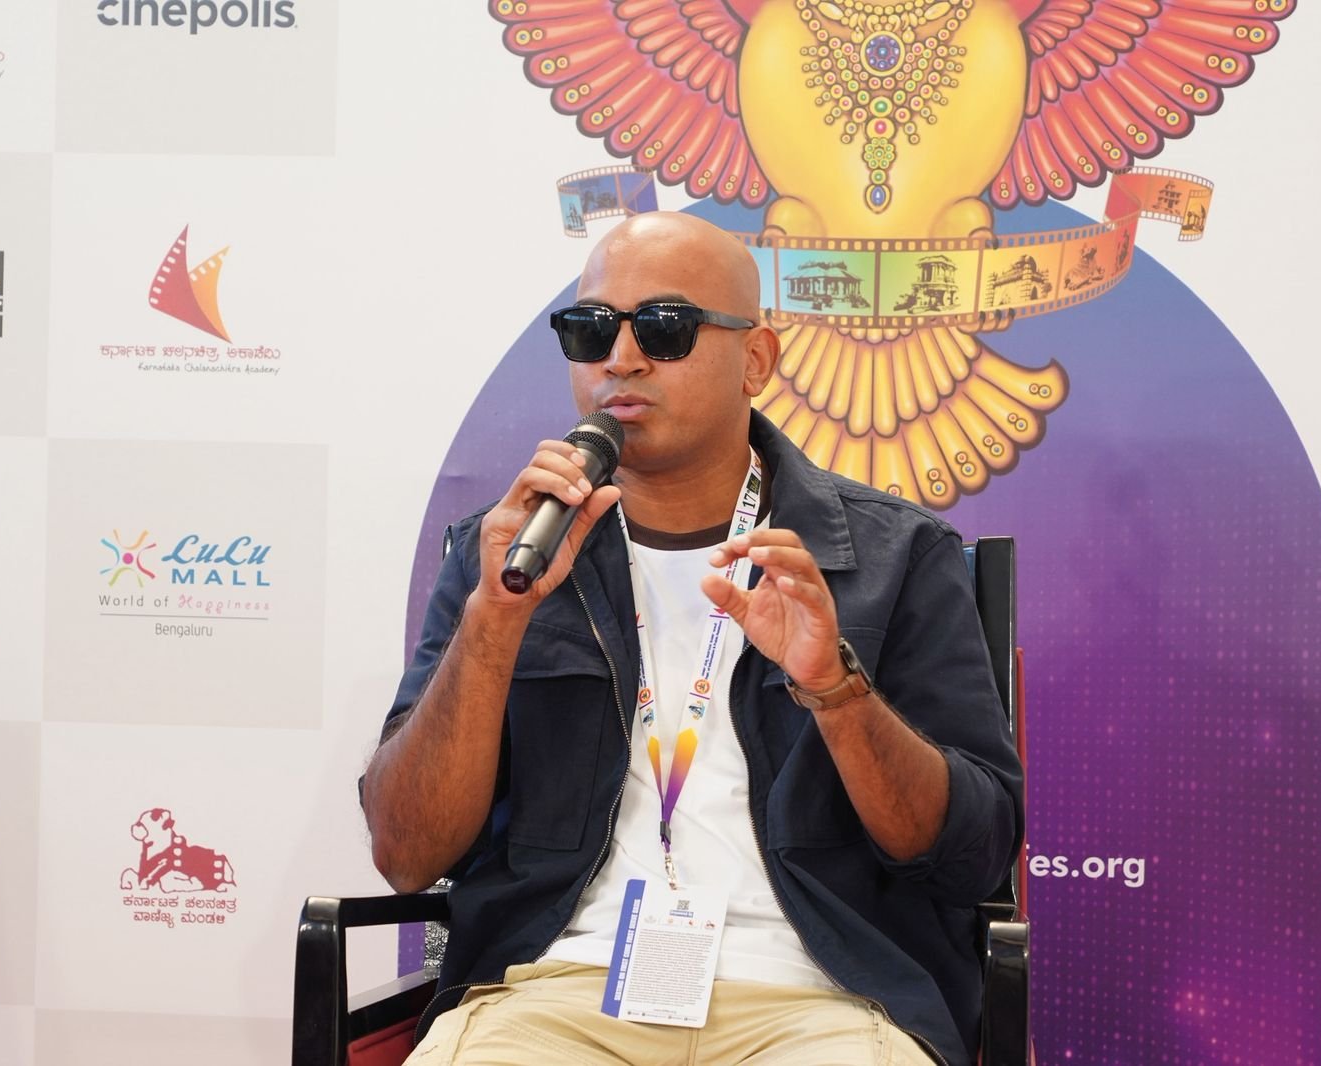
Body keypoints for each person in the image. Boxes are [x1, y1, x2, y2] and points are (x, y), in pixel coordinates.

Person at [362, 212, 1023, 1066]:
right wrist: (492, 620)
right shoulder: (504, 555)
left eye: (664, 327)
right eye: (590, 329)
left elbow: (972, 857)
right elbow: (407, 855)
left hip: (820, 1000)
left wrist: (836, 691)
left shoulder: (895, 557)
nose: (620, 359)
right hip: (555, 992)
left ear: (757, 360)